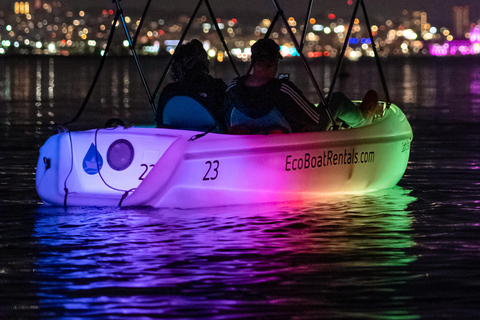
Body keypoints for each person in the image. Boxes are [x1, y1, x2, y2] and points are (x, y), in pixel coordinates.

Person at [224, 38, 380, 134]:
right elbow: (314, 118)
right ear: (274, 63)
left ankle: (344, 120)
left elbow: (225, 117)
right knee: (336, 100)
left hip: (248, 134)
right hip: (293, 137)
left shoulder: (233, 87)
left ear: (253, 61)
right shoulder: (282, 89)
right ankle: (363, 119)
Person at [156, 39, 227, 132]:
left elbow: (160, 123)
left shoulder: (169, 92)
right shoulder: (217, 87)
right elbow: (226, 121)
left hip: (178, 143)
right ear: (205, 63)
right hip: (212, 142)